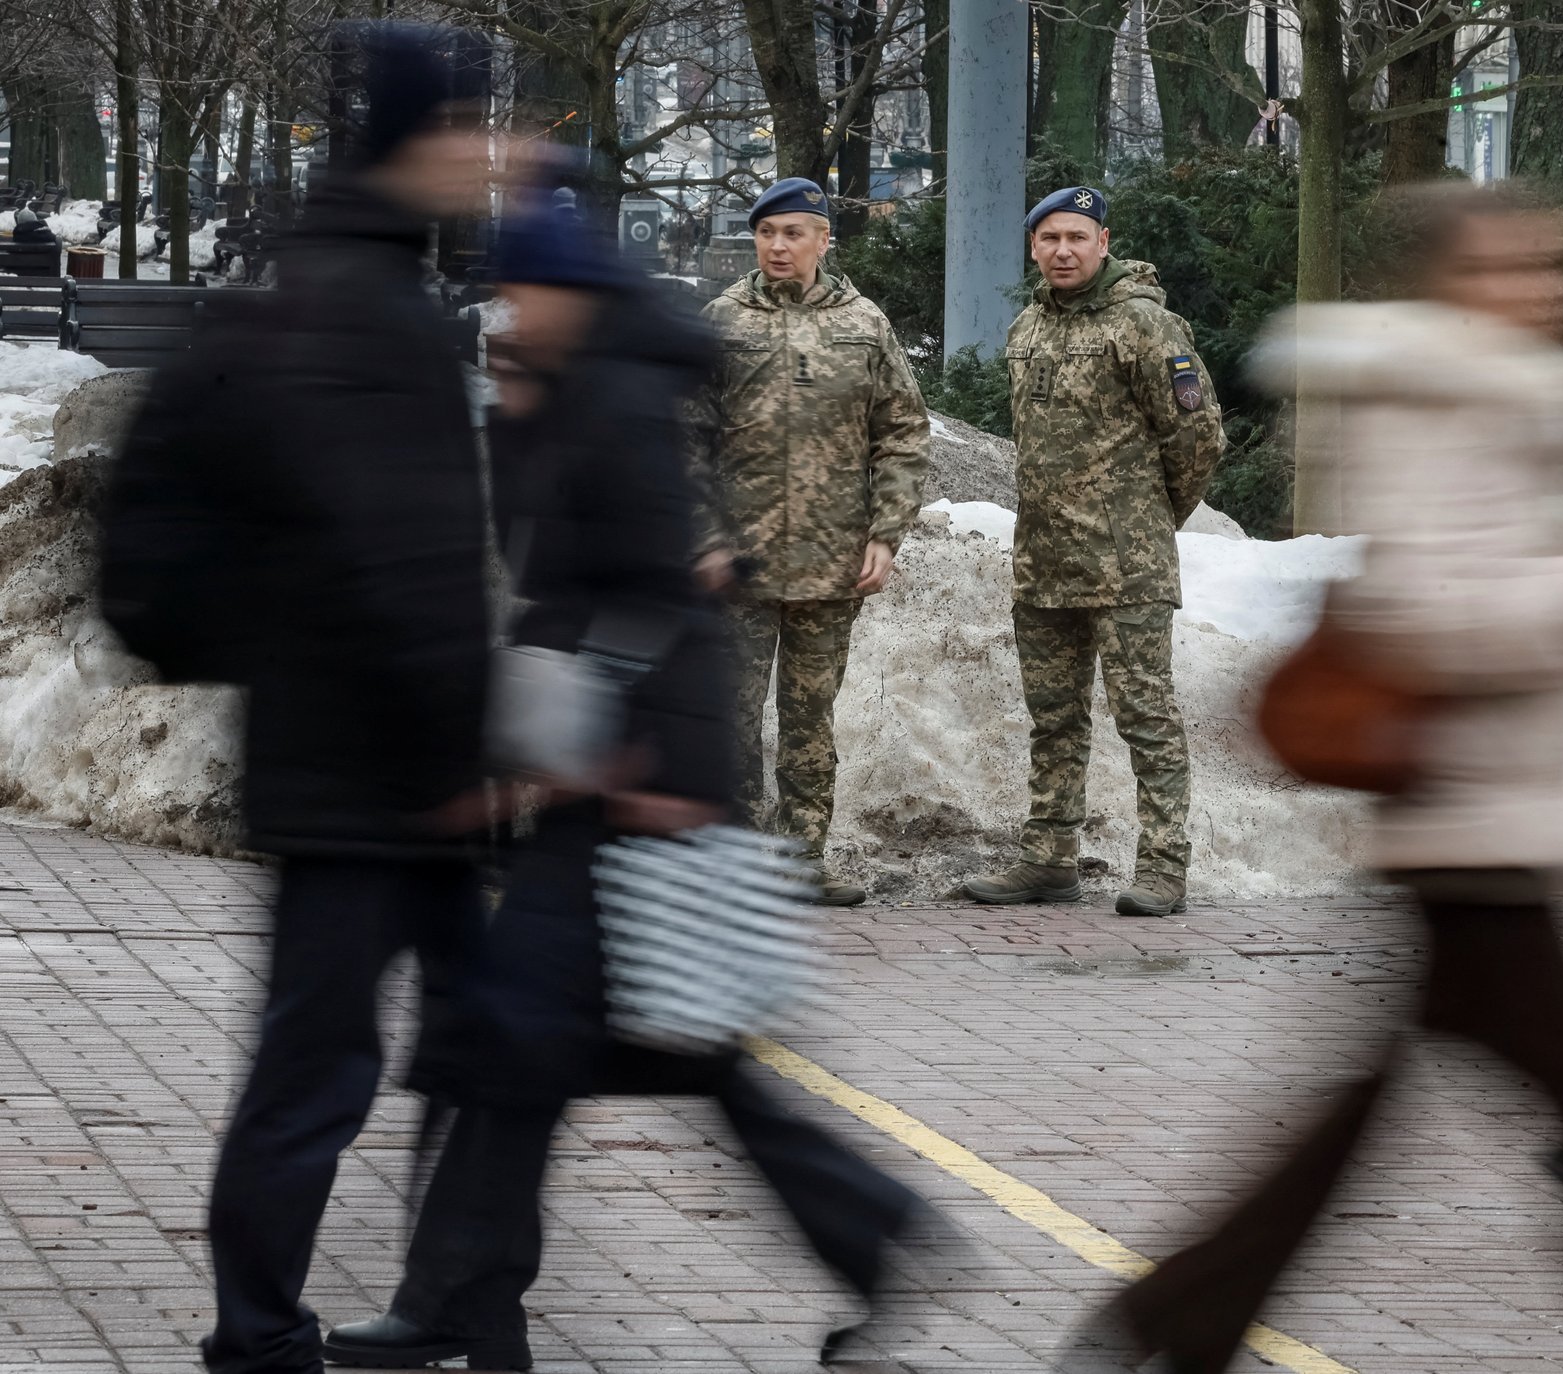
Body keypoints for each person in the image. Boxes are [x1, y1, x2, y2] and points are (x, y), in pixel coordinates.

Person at [1071, 181, 1563, 1374]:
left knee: (1390, 1112)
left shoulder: (1512, 405)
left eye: (1554, 265)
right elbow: (1437, 616)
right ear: (1449, 282)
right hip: (1462, 817)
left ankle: (1174, 1321)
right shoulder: (1435, 408)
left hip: (1483, 816)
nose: (1546, 287)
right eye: (1510, 267)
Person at [323, 197, 926, 1372]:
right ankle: (462, 1299)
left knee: (621, 1052)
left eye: (522, 292)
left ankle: (864, 1231)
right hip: (592, 786)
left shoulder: (618, 407)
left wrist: (663, 778)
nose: (508, 311)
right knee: (542, 1056)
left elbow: (669, 604)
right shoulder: (557, 395)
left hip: (635, 798)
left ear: (571, 297)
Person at [96, 24, 497, 1374]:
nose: (488, 160)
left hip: (358, 762)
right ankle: (263, 1335)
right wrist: (460, 751)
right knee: (320, 1075)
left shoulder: (316, 295)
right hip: (383, 780)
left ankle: (451, 1303)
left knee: (466, 1045)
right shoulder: (371, 320)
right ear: (417, 141)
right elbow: (405, 566)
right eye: (470, 131)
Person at [964, 186, 1224, 917]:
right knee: (1054, 717)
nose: (1063, 251)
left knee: (1145, 716)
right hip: (1045, 562)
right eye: (1049, 240)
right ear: (1033, 248)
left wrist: (1146, 518)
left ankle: (1166, 866)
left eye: (1077, 237)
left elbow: (1198, 439)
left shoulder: (1144, 326)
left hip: (1125, 566)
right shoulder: (1027, 329)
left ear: (1104, 243)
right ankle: (1049, 858)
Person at [694, 176, 931, 907]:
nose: (777, 246)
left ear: (824, 241)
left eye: (793, 233)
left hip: (832, 566)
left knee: (808, 725)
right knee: (730, 721)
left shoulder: (863, 324)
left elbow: (901, 433)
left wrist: (886, 534)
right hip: (741, 563)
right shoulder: (722, 322)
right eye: (767, 233)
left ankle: (801, 860)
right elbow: (681, 438)